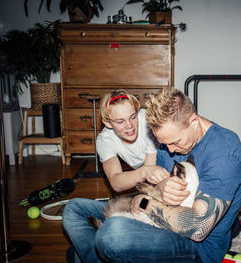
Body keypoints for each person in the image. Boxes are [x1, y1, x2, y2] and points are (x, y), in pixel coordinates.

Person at [64, 87, 241, 263]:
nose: (170, 150)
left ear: (193, 122)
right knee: (74, 209)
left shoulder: (224, 153)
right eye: (163, 143)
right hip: (157, 218)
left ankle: (105, 251)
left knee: (112, 233)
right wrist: (157, 188)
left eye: (176, 142)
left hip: (196, 247)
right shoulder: (169, 140)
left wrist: (144, 202)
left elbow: (197, 228)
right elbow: (152, 185)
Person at [63, 90, 170, 262]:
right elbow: (116, 182)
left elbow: (150, 182)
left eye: (132, 117)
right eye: (120, 121)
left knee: (114, 227)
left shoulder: (147, 122)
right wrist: (143, 171)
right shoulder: (105, 140)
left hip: (157, 195)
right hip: (139, 191)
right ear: (107, 122)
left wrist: (146, 172)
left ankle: (95, 251)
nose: (130, 125)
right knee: (73, 208)